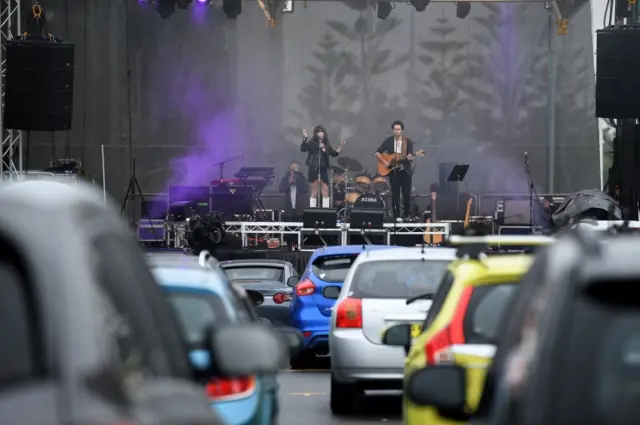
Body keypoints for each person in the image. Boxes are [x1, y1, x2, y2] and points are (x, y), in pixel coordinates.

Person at [375, 120, 414, 221]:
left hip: (405, 171)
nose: (397, 131)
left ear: (402, 131)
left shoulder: (408, 142)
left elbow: (410, 156)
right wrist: (384, 162)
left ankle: (407, 215)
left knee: (406, 193)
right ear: (393, 130)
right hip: (393, 171)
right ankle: (396, 216)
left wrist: (410, 157)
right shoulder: (389, 141)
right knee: (395, 194)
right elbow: (377, 153)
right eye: (395, 129)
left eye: (399, 129)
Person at [300, 125, 346, 208]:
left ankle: (326, 211)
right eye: (318, 132)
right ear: (316, 134)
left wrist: (341, 145)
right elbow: (303, 148)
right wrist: (305, 137)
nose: (320, 133)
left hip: (323, 169)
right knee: (314, 192)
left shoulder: (326, 144)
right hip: (314, 169)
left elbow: (334, 154)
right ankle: (312, 211)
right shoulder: (312, 143)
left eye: (322, 132)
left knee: (325, 191)